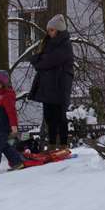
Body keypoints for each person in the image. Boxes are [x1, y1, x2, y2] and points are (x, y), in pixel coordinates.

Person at [29, 14, 74, 151]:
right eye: (48, 30)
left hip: (59, 85)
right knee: (49, 117)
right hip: (48, 86)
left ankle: (63, 144)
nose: (49, 32)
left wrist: (39, 60)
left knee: (60, 116)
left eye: (52, 30)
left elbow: (49, 60)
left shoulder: (65, 44)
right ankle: (52, 144)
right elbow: (42, 58)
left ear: (58, 30)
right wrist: (40, 59)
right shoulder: (48, 42)